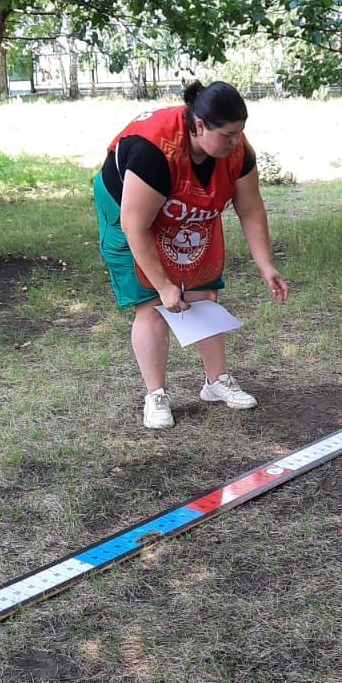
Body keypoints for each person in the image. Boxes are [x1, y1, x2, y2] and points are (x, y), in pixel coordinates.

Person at [93, 80, 289, 428]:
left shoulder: (237, 152)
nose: (236, 142)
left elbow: (250, 208)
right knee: (152, 302)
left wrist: (266, 265)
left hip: (190, 206)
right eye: (228, 135)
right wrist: (165, 285)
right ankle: (155, 395)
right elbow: (135, 226)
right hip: (130, 213)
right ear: (200, 126)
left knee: (201, 294)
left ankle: (216, 382)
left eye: (240, 133)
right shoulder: (152, 152)